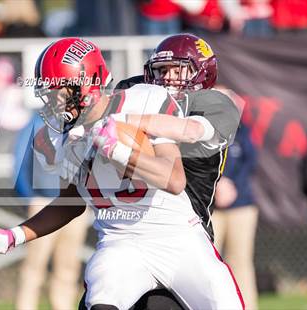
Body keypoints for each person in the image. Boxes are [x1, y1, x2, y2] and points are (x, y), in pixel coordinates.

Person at [0, 37, 243, 310]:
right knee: (102, 293)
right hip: (119, 242)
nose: (52, 101)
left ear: (86, 84)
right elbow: (69, 204)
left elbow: (173, 179)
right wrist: (15, 236)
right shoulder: (62, 136)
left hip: (178, 238)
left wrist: (116, 149)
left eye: (57, 90)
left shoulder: (143, 101)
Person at [107, 33, 242, 309]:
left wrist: (119, 117)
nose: (168, 78)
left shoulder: (215, 105)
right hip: (128, 233)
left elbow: (186, 129)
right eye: (162, 70)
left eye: (177, 69)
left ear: (201, 71)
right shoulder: (140, 93)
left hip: (185, 239)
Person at [13, 114, 89, 310]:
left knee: (68, 267)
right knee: (34, 267)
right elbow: (19, 164)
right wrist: (31, 199)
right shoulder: (36, 121)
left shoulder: (81, 120)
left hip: (74, 206)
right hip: (43, 202)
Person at [211, 124, 259, 310]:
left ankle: (246, 306)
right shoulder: (199, 125)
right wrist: (216, 184)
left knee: (241, 261)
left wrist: (232, 185)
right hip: (211, 207)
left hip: (241, 205)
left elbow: (250, 161)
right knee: (208, 260)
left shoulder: (242, 130)